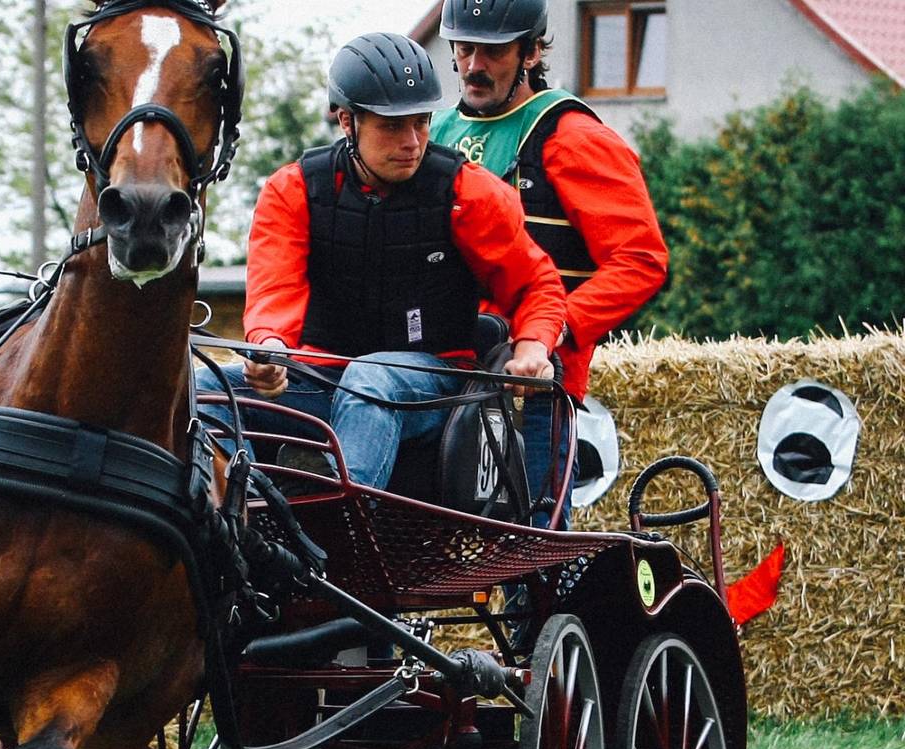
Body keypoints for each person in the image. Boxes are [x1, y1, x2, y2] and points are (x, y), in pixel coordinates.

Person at [197, 31, 567, 496]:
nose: (412, 141)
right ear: (347, 121)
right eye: (393, 126)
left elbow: (537, 284)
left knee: (369, 378)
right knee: (203, 386)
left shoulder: (469, 193)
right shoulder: (293, 190)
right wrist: (268, 349)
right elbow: (274, 290)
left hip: (434, 388)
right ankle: (247, 516)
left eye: (421, 123)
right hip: (320, 377)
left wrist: (533, 346)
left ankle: (337, 527)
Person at [431, 0, 669, 526]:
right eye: (464, 48)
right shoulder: (432, 133)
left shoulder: (573, 137)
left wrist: (553, 331)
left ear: (532, 52)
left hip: (535, 381)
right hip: (448, 369)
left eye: (492, 52)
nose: (474, 65)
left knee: (530, 547)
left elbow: (641, 260)